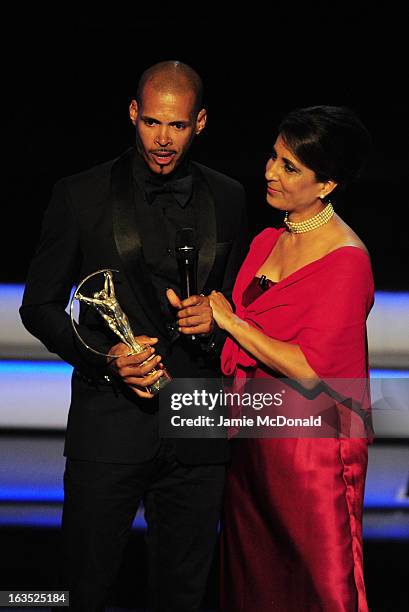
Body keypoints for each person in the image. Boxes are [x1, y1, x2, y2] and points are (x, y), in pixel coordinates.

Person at [20, 60, 247, 611]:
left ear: (201, 123)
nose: (163, 140)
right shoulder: (80, 193)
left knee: (184, 593)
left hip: (198, 423)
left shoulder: (231, 196)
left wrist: (217, 321)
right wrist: (103, 357)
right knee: (83, 589)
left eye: (177, 126)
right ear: (132, 114)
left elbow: (242, 308)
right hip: (110, 424)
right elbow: (39, 306)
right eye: (151, 123)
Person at [209, 106, 374, 611]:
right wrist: (205, 317)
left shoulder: (347, 260)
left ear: (326, 185)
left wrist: (232, 323)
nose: (269, 173)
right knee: (255, 582)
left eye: (289, 167)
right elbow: (237, 329)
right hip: (253, 436)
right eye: (273, 157)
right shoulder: (265, 241)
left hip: (312, 450)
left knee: (318, 587)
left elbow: (312, 368)